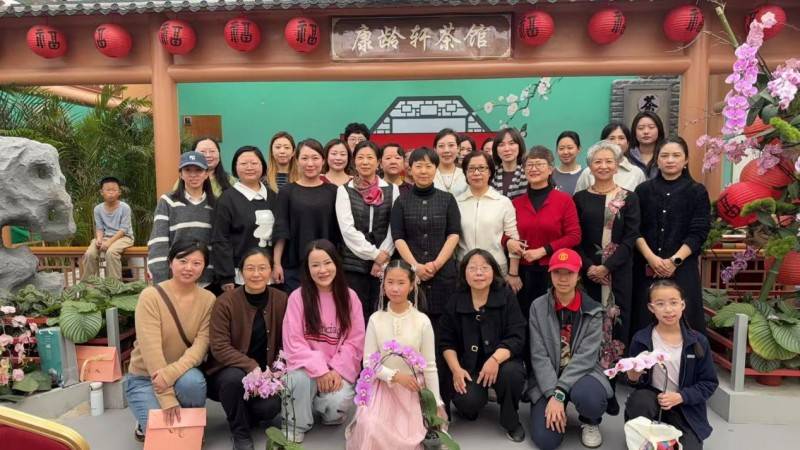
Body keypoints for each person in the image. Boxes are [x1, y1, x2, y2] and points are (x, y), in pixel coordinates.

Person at [346, 260, 444, 450]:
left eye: (401, 283)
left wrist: (435, 403)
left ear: (412, 285)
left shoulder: (422, 321)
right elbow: (368, 362)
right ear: (383, 285)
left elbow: (430, 366)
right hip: (383, 387)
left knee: (413, 436)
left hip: (414, 389)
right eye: (390, 282)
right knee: (371, 427)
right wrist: (395, 376)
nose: (395, 288)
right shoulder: (375, 319)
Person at [391, 147, 461, 413]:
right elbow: (398, 237)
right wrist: (415, 267)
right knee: (413, 340)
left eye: (428, 165)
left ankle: (442, 404)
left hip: (444, 279)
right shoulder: (401, 201)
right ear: (409, 169)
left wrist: (435, 264)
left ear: (436, 168)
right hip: (412, 281)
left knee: (442, 340)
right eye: (418, 165)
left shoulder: (447, 199)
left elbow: (453, 234)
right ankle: (413, 404)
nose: (423, 170)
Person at [125, 240, 214, 441]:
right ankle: (148, 419)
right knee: (166, 441)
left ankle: (190, 423)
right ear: (170, 262)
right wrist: (166, 398)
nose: (189, 268)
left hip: (181, 374)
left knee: (193, 382)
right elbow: (151, 350)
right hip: (145, 379)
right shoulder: (150, 296)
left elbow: (200, 347)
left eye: (196, 263)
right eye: (182, 261)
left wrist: (170, 374)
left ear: (204, 267)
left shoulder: (208, 300)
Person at [527, 248, 613, 450]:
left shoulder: (593, 310)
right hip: (548, 376)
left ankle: (590, 421)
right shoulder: (537, 307)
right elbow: (539, 356)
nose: (563, 279)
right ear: (550, 274)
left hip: (582, 374)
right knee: (546, 441)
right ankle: (554, 408)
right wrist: (552, 394)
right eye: (557, 272)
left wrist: (560, 393)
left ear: (578, 275)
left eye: (569, 273)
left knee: (591, 400)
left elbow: (586, 358)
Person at [282, 240, 365, 443]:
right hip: (307, 369)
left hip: (336, 370)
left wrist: (336, 369)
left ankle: (320, 406)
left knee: (336, 405)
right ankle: (297, 423)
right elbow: (294, 341)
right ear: (307, 269)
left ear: (336, 263)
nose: (322, 270)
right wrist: (320, 370)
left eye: (327, 263)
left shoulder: (350, 297)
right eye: (315, 265)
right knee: (297, 380)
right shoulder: (297, 297)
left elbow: (355, 341)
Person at [205, 249, 288, 450]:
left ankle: (243, 414)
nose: (256, 274)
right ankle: (240, 433)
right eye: (250, 268)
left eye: (262, 268)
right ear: (241, 272)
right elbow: (219, 346)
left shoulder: (282, 299)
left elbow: (288, 341)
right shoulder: (225, 301)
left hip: (267, 375)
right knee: (233, 379)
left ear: (270, 271)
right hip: (228, 373)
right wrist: (250, 366)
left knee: (269, 407)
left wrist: (276, 370)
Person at [440, 250, 527, 442]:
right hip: (469, 367)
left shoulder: (506, 296)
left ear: (494, 271)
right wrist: (456, 369)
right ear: (464, 273)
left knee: (512, 374)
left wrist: (495, 360)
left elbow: (517, 335)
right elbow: (446, 341)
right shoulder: (456, 299)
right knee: (468, 402)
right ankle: (475, 400)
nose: (478, 273)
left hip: (502, 362)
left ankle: (511, 421)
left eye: (484, 268)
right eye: (472, 268)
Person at [624, 280, 719, 450]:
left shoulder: (698, 341)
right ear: (651, 308)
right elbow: (635, 383)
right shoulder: (641, 339)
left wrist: (681, 396)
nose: (668, 309)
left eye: (673, 302)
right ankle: (643, 433)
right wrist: (633, 377)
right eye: (660, 304)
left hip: (685, 408)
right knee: (640, 400)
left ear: (682, 305)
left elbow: (709, 383)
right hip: (652, 401)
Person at [633, 137, 710, 333]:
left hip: (683, 270)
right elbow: (634, 229)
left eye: (676, 155)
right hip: (647, 268)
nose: (670, 160)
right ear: (657, 160)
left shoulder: (697, 191)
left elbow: (699, 232)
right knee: (644, 323)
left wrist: (674, 261)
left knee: (685, 324)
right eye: (664, 155)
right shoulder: (642, 191)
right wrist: (651, 258)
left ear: (686, 160)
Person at [573, 140, 640, 347]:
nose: (603, 166)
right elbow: (575, 238)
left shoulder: (629, 198)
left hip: (619, 271)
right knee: (588, 319)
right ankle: (588, 362)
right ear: (590, 166)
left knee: (618, 318)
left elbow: (631, 237)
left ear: (617, 165)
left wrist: (607, 267)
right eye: (598, 162)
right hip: (588, 272)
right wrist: (590, 267)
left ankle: (616, 363)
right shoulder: (579, 198)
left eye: (609, 161)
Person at [511, 146, 581, 318]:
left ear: (550, 169)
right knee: (524, 318)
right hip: (523, 273)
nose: (533, 169)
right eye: (529, 165)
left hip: (554, 270)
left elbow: (574, 236)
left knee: (551, 319)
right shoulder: (515, 203)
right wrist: (508, 242)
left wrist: (543, 250)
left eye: (539, 164)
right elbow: (506, 233)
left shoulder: (564, 200)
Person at [336, 141, 399, 323]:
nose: (365, 162)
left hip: (384, 263)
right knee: (355, 314)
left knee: (382, 313)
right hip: (353, 263)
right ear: (354, 161)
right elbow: (347, 230)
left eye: (370, 157)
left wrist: (382, 258)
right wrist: (374, 255)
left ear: (378, 162)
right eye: (360, 158)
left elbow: (393, 227)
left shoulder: (392, 189)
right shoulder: (344, 190)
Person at [273, 139, 341, 293]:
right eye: (304, 158)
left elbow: (339, 232)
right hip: (294, 267)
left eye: (315, 158)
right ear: (296, 161)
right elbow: (281, 230)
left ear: (323, 161)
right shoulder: (287, 191)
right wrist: (276, 263)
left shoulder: (333, 191)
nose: (310, 163)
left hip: (326, 267)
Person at [212, 146, 278, 292]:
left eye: (254, 163)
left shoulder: (273, 197)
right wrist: (226, 276)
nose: (249, 167)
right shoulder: (227, 199)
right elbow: (220, 239)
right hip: (239, 276)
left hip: (271, 274)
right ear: (235, 168)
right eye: (243, 163)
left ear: (263, 166)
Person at [148, 151, 216, 286]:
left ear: (206, 174)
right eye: (188, 170)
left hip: (208, 281)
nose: (193, 175)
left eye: (198, 170)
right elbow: (159, 241)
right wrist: (161, 280)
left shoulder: (216, 204)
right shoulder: (167, 202)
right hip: (175, 279)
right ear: (181, 174)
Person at [457, 152, 521, 291]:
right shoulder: (456, 202)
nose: (477, 173)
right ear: (465, 173)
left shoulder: (503, 202)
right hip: (465, 269)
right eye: (471, 168)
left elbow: (513, 238)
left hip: (496, 268)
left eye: (482, 168)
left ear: (490, 172)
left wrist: (513, 273)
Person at [82, 176, 134, 281]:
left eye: (114, 190)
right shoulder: (97, 209)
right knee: (89, 254)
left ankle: (114, 286)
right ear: (102, 192)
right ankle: (87, 285)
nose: (111, 193)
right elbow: (100, 228)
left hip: (124, 237)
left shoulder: (125, 207)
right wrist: (99, 239)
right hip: (105, 237)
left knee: (111, 253)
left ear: (119, 192)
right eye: (108, 190)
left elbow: (123, 230)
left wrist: (109, 242)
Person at [575, 122, 646, 192]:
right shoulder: (588, 172)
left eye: (621, 138)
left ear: (628, 143)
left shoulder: (637, 173)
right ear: (603, 143)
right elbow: (579, 197)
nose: (617, 142)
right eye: (612, 138)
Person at [490, 128, 527, 199]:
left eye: (511, 143)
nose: (507, 149)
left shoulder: (528, 173)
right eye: (501, 145)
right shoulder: (490, 174)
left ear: (520, 146)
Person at [432, 128, 469, 198]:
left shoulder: (467, 174)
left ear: (458, 148)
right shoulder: (429, 174)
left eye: (451, 145)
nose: (446, 150)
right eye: (441, 146)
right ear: (435, 149)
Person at [629, 112, 665, 179]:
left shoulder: (666, 156)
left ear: (659, 130)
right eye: (641, 128)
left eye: (651, 127)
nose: (646, 132)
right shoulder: (627, 157)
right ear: (634, 131)